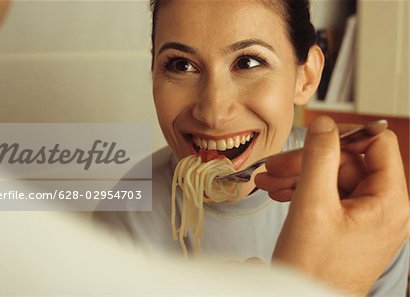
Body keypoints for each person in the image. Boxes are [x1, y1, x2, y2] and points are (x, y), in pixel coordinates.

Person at [95, 0, 410, 296]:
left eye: (247, 62)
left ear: (307, 76)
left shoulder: (363, 205)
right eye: (181, 65)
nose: (213, 113)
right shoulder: (122, 219)